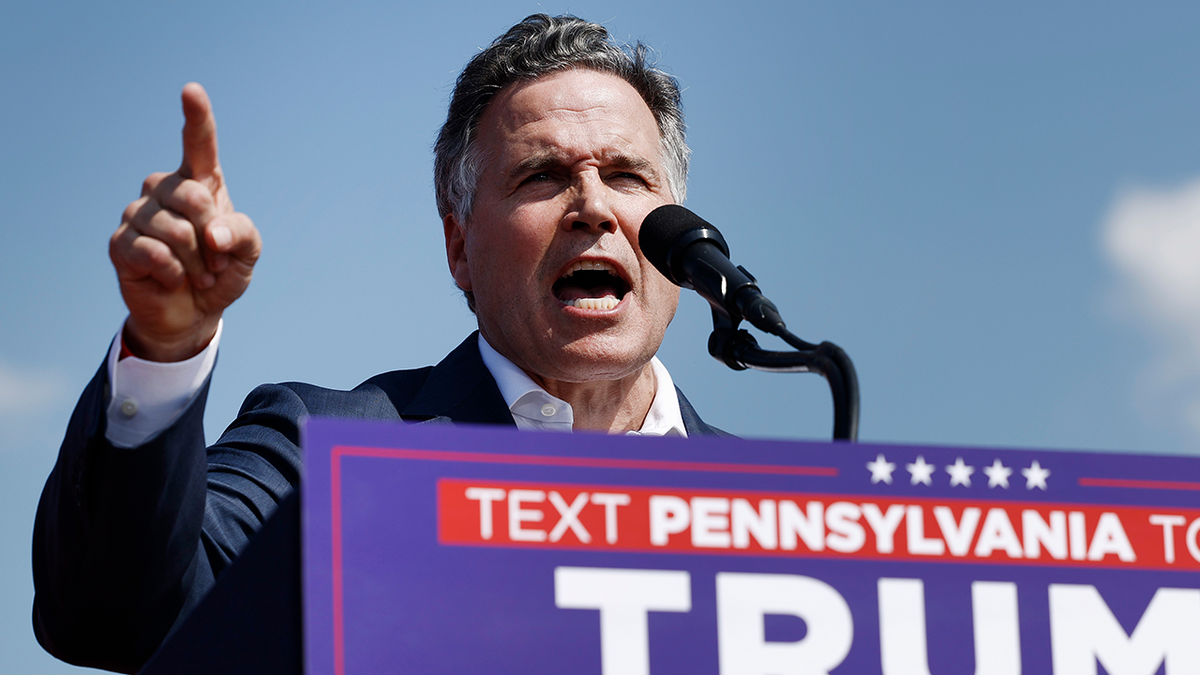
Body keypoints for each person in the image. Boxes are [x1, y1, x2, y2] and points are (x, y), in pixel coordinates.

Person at [32, 14, 726, 673]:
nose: (594, 208)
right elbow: (117, 614)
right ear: (459, 246)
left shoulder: (784, 509)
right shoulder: (329, 452)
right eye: (541, 175)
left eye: (627, 176)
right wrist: (164, 346)